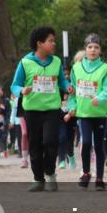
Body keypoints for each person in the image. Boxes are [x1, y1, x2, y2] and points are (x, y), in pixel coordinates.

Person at [11, 26, 72, 192]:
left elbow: (62, 81)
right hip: (31, 110)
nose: (54, 43)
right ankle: (38, 179)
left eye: (54, 40)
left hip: (52, 109)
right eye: (50, 40)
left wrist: (68, 87)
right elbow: (14, 85)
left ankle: (51, 173)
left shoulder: (57, 61)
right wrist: (21, 91)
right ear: (39, 43)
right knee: (35, 145)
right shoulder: (25, 63)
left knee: (50, 141)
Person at [66, 34, 107, 190]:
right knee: (85, 143)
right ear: (85, 49)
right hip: (83, 113)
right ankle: (86, 173)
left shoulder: (105, 68)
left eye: (96, 47)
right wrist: (71, 107)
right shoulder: (76, 68)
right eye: (90, 47)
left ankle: (99, 178)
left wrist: (99, 98)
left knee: (99, 146)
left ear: (100, 50)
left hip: (99, 113)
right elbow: (72, 91)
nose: (93, 50)